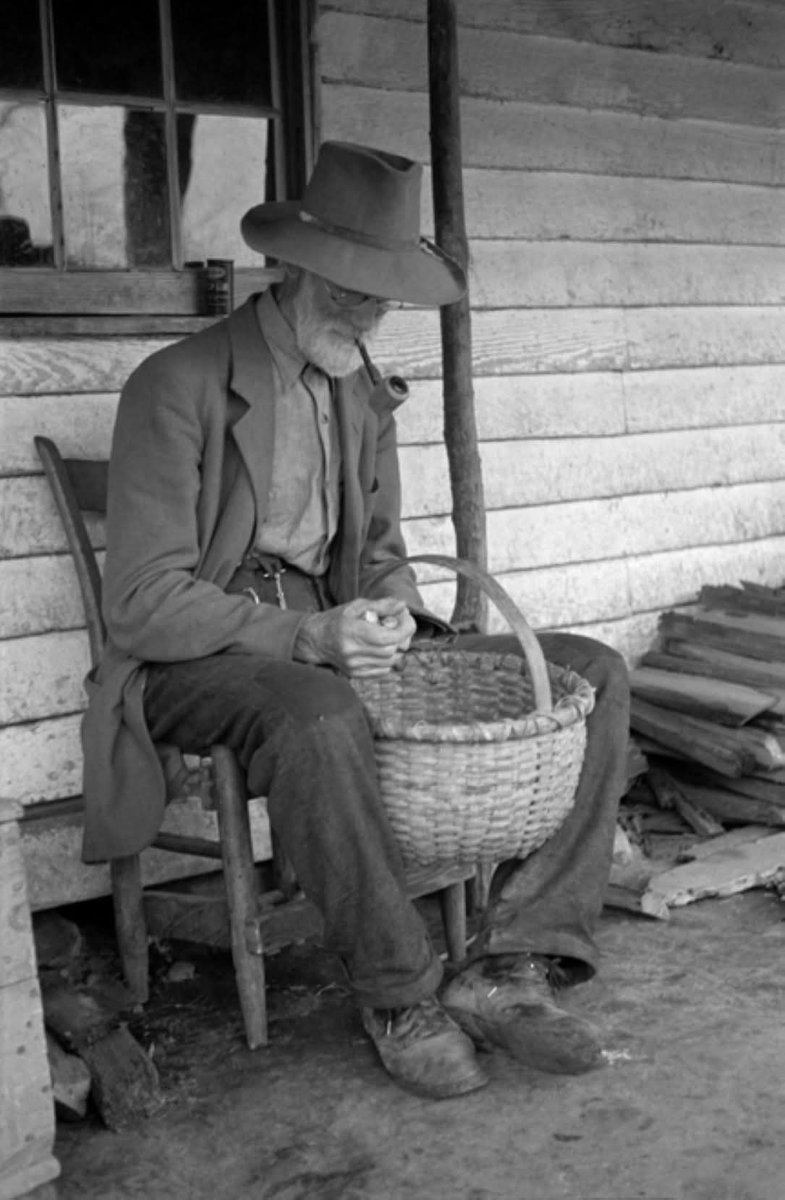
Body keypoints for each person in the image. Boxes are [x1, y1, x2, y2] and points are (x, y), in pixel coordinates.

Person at [81, 140, 630, 1101]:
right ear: (287, 266)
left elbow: (377, 550)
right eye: (350, 287)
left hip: (332, 637)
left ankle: (512, 960)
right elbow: (139, 603)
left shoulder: (357, 387)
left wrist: (389, 617)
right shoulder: (174, 386)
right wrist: (304, 636)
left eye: (386, 291)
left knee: (591, 673)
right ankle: (398, 993)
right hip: (202, 654)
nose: (372, 310)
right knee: (316, 714)